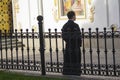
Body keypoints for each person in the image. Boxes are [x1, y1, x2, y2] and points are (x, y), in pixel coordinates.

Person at [61, 11, 82, 75]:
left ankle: (68, 71)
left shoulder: (65, 25)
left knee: (68, 58)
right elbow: (79, 36)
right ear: (73, 16)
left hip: (68, 46)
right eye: (75, 16)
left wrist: (68, 41)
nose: (75, 17)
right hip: (75, 46)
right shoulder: (76, 25)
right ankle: (76, 71)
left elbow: (63, 36)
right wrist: (79, 44)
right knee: (76, 58)